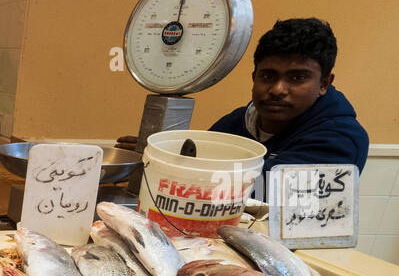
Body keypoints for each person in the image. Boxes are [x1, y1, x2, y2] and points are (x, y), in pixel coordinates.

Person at [119, 17, 369, 173]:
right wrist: (159, 153)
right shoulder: (236, 123)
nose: (277, 90)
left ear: (324, 83)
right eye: (268, 76)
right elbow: (201, 165)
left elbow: (272, 193)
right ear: (254, 77)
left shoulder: (342, 138)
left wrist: (170, 162)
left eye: (297, 78)